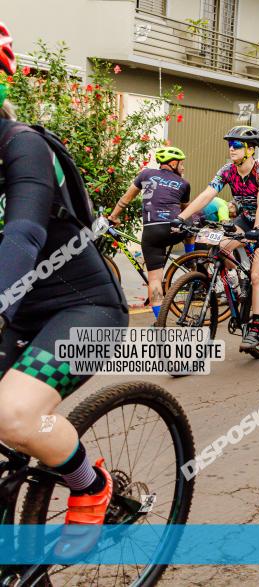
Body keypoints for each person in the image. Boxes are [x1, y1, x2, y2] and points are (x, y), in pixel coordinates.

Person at [0, 22, 127, 555]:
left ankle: (93, 487)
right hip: (20, 315)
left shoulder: (23, 147)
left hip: (86, 311)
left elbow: (24, 233)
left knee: (12, 415)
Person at [172, 125, 259, 350]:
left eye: (236, 145)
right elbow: (207, 194)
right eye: (229, 145)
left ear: (250, 150)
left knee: (257, 275)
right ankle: (234, 283)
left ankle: (255, 327)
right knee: (220, 245)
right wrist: (181, 217)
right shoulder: (227, 170)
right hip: (244, 219)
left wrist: (258, 228)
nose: (231, 149)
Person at [109, 146, 191, 320]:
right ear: (174, 163)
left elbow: (126, 199)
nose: (183, 168)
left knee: (154, 279)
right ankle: (192, 261)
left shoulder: (145, 175)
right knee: (192, 224)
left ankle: (159, 321)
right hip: (174, 229)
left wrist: (113, 216)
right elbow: (187, 210)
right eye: (182, 164)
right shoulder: (184, 184)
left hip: (152, 231)